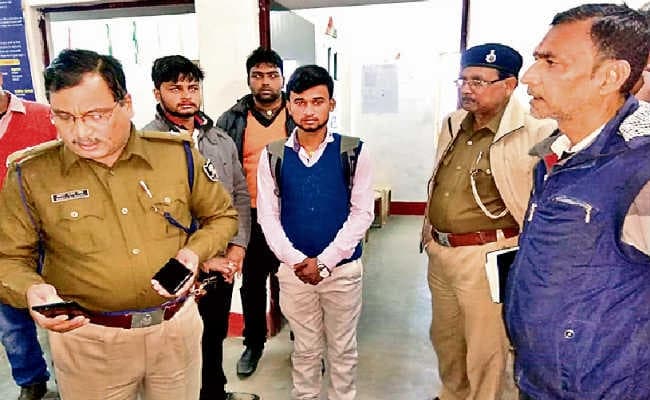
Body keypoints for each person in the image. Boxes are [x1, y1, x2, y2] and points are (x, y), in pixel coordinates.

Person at [0, 49, 238, 400]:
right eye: (64, 117)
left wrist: (193, 254)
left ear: (126, 104)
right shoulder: (31, 174)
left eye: (96, 115)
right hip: (88, 342)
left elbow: (222, 216)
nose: (80, 132)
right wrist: (31, 290)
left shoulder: (177, 156)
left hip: (174, 332)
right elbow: (8, 259)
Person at [504, 4, 650, 399]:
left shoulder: (640, 167)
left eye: (551, 62)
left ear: (609, 76)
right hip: (540, 380)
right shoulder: (557, 154)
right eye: (537, 59)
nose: (529, 77)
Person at [420, 43, 556, 400]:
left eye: (478, 81)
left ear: (509, 85)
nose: (467, 89)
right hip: (441, 250)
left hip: (487, 253)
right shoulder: (453, 123)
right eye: (463, 80)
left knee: (486, 348)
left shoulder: (537, 131)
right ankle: (452, 393)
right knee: (445, 337)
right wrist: (430, 239)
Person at [142, 55, 257, 400]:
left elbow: (239, 195)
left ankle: (215, 393)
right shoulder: (146, 144)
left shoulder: (219, 139)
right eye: (175, 88)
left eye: (192, 87)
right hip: (175, 265)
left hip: (222, 262)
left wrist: (237, 248)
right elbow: (150, 216)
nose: (186, 95)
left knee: (214, 333)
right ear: (157, 93)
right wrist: (202, 259)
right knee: (178, 344)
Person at [257, 64, 374, 400]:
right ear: (289, 105)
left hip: (343, 271)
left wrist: (324, 261)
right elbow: (268, 216)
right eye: (300, 102)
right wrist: (297, 260)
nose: (309, 111)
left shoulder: (353, 151)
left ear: (331, 105)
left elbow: (362, 213)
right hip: (293, 272)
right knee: (305, 349)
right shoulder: (273, 155)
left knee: (342, 348)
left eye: (317, 102)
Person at [215, 47, 295, 377]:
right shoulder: (232, 119)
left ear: (282, 79)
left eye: (272, 75)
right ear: (249, 79)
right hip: (249, 216)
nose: (265, 82)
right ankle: (254, 343)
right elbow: (220, 169)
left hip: (290, 215)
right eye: (258, 75)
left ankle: (303, 343)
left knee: (294, 282)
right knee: (251, 285)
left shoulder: (297, 113)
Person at [0, 71, 58, 400]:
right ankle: (31, 381)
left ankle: (74, 376)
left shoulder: (43, 116)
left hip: (51, 233)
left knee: (64, 308)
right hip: (3, 240)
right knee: (10, 322)